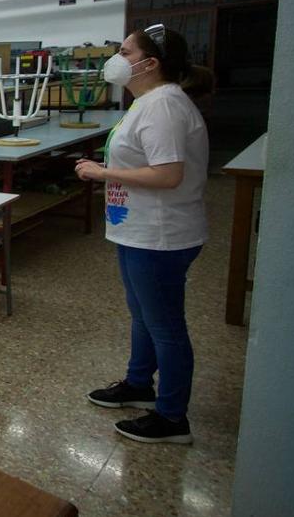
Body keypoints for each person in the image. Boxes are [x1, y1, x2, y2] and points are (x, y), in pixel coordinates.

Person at [76, 25, 208, 445]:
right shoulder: (147, 103)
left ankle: (172, 419)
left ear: (149, 64)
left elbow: (169, 174)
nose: (117, 56)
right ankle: (138, 385)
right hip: (137, 231)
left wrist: (102, 173)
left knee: (166, 326)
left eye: (125, 51)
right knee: (144, 316)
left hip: (161, 235)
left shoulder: (164, 106)